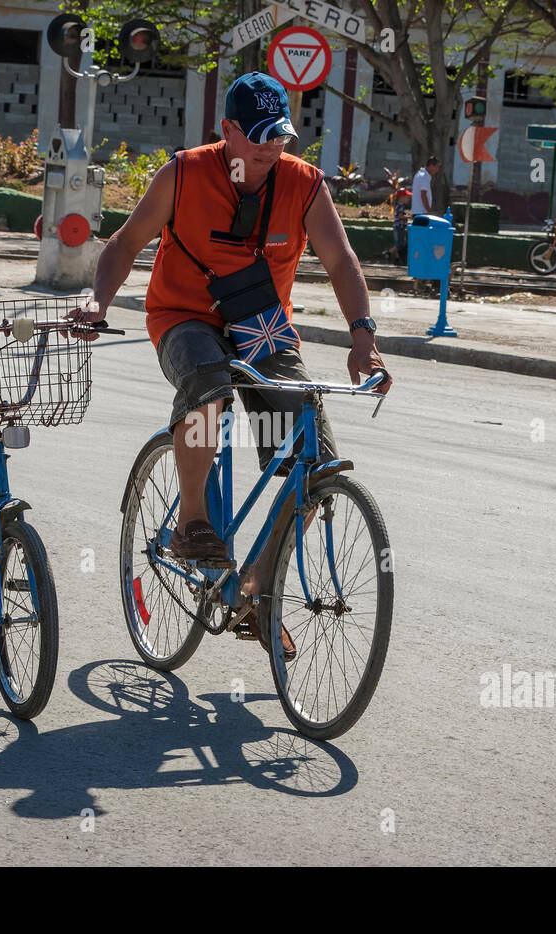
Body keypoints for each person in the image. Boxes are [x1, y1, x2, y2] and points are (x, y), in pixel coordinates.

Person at [64, 72, 391, 660]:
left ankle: (255, 587)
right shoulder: (184, 173)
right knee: (209, 389)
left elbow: (341, 260)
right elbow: (125, 243)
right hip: (184, 316)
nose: (271, 149)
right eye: (259, 137)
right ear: (229, 130)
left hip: (260, 327)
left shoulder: (304, 185)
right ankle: (193, 522)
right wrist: (97, 302)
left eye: (281, 137)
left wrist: (362, 336)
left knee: (312, 458)